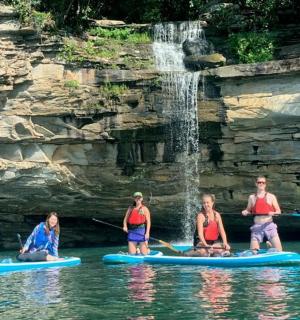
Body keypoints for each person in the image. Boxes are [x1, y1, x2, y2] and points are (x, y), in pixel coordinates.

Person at [242, 176, 282, 252]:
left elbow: (278, 211)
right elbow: (248, 210)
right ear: (256, 184)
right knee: (253, 252)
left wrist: (273, 213)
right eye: (259, 182)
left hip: (269, 225)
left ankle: (270, 246)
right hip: (257, 227)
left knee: (279, 251)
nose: (261, 184)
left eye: (263, 182)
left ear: (265, 184)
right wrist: (245, 212)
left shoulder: (271, 196)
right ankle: (268, 246)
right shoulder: (251, 197)